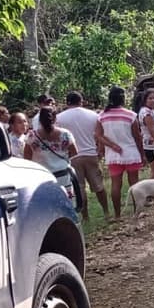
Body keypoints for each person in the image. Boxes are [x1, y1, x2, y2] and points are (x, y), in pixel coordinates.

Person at [57, 91, 109, 222]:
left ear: (67, 102)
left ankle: (85, 217)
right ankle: (106, 212)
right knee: (99, 186)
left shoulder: (59, 118)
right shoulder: (93, 115)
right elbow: (100, 134)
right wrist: (100, 150)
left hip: (72, 156)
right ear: (81, 101)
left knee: (79, 188)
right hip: (91, 154)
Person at [96, 86, 145, 220]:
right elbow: (138, 137)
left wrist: (111, 145)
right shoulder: (130, 115)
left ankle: (117, 215)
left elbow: (98, 135)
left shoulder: (102, 116)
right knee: (134, 184)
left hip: (113, 155)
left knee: (115, 185)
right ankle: (137, 212)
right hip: (131, 153)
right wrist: (142, 154)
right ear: (123, 99)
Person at [23, 107, 77, 193]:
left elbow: (27, 158)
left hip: (42, 176)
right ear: (55, 118)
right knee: (65, 201)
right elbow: (74, 152)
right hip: (62, 175)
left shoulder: (32, 136)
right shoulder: (65, 134)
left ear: (40, 119)